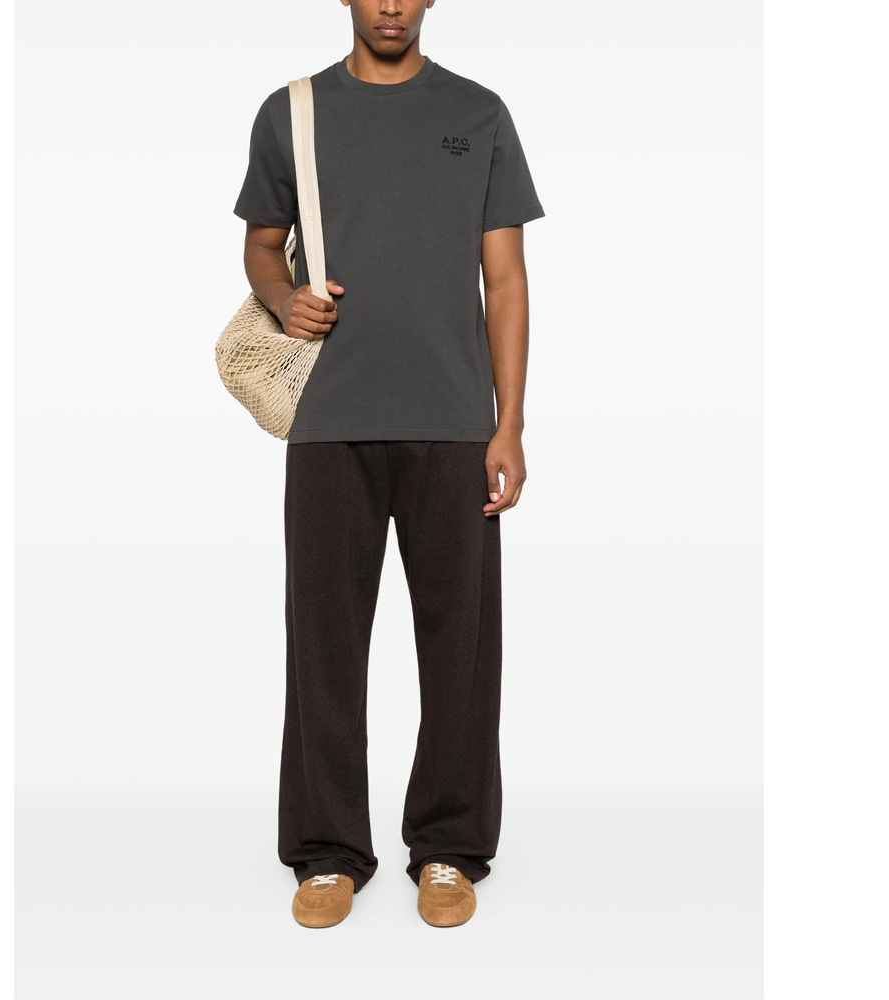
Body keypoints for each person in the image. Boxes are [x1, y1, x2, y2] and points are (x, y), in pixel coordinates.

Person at [233, 0, 544, 928]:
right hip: (329, 420)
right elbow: (260, 245)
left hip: (455, 422)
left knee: (462, 647)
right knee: (323, 647)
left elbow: (506, 280)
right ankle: (327, 853)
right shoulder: (291, 112)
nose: (392, 5)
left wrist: (509, 424)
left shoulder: (479, 112)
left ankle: (449, 849)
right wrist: (284, 298)